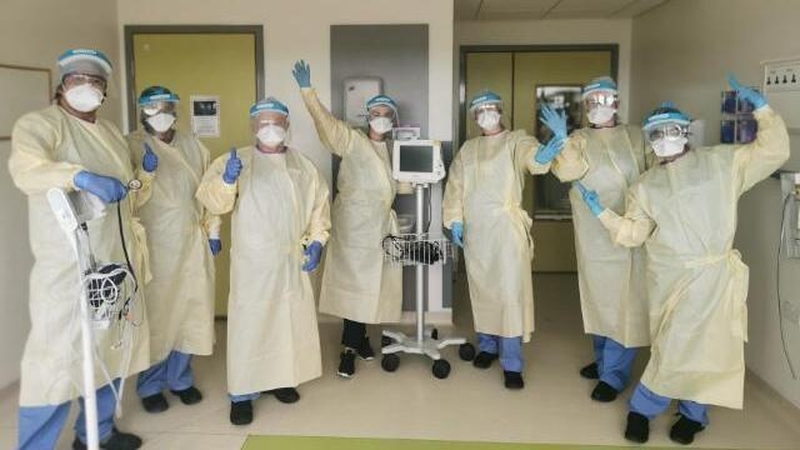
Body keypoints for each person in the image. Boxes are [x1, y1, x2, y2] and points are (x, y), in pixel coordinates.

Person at [578, 75, 789, 445]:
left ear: (686, 131)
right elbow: (633, 235)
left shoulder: (723, 163)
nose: (663, 140)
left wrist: (763, 109)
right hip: (670, 280)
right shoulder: (645, 186)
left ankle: (691, 415)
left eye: (670, 130)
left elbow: (773, 151)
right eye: (655, 135)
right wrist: (603, 214)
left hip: (715, 277)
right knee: (674, 348)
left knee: (707, 351)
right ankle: (644, 409)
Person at [9, 48, 151, 450]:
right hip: (67, 264)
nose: (87, 87)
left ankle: (98, 434)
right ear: (62, 85)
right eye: (78, 79)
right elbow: (27, 170)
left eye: (96, 81)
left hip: (112, 261)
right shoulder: (39, 125)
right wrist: (80, 177)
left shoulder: (108, 132)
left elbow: (125, 192)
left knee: (108, 348)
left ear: (105, 91)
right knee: (55, 359)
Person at [196, 97, 330, 426]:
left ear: (287, 126)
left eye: (277, 121)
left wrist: (317, 241)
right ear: (253, 126)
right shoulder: (236, 161)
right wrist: (227, 180)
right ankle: (242, 393)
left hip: (291, 259)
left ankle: (281, 379)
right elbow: (213, 202)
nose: (270, 128)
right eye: (263, 122)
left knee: (288, 320)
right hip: (254, 261)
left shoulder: (303, 165)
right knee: (251, 325)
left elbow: (319, 208)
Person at [442, 91, 582, 389]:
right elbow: (455, 186)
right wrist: (455, 220)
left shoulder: (517, 140)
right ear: (474, 117)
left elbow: (534, 160)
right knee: (484, 290)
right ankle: (488, 346)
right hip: (477, 232)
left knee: (509, 293)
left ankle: (512, 362)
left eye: (490, 108)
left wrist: (550, 149)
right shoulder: (469, 148)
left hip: (506, 230)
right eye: (479, 111)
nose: (485, 114)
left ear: (501, 110)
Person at [292, 60, 411, 378]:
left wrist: (424, 175)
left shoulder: (396, 149)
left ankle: (361, 342)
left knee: (378, 285)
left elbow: (400, 185)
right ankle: (349, 347)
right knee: (353, 286)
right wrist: (308, 93)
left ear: (393, 119)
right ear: (368, 117)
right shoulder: (352, 140)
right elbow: (326, 124)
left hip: (382, 227)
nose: (382, 120)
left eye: (387, 115)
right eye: (376, 114)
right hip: (354, 227)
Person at [541, 76, 652, 402]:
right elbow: (566, 172)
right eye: (590, 101)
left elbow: (654, 175)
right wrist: (562, 140)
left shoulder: (636, 136)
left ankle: (614, 376)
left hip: (629, 228)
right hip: (593, 232)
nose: (595, 107)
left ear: (616, 102)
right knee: (599, 298)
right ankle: (604, 361)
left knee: (625, 303)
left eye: (602, 100)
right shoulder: (579, 137)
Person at [126, 86, 219, 414]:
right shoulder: (131, 146)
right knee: (159, 316)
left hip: (191, 243)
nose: (161, 114)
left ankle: (181, 379)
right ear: (142, 113)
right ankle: (150, 385)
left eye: (166, 107)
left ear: (176, 111)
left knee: (192, 312)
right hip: (155, 247)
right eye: (153, 108)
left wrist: (214, 232)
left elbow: (207, 195)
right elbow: (128, 200)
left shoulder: (194, 146)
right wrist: (145, 174)